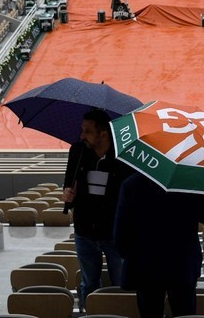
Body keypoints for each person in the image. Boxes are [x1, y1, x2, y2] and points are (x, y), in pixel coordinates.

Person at [114, 173, 204, 318]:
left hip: (145, 264)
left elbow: (120, 233)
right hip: (182, 264)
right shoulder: (191, 182)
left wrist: (132, 256)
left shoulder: (132, 183)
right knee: (184, 313)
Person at [62, 109, 132, 311]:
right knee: (88, 284)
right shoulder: (77, 151)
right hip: (84, 231)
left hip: (114, 232)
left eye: (87, 131)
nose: (81, 135)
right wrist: (67, 194)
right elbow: (68, 184)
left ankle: (120, 314)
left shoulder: (123, 156)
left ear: (103, 133)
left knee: (121, 284)